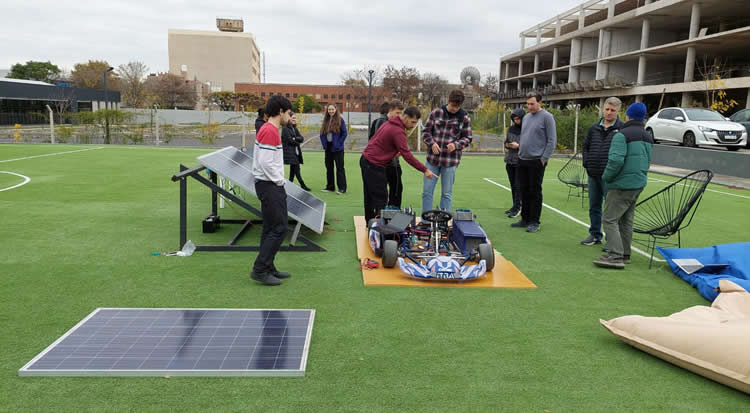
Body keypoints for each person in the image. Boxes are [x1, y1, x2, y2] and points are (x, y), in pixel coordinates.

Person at [593, 102, 653, 269]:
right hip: (638, 183)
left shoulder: (621, 135)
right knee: (626, 220)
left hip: (621, 184)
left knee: (610, 219)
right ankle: (625, 254)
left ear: (628, 115)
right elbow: (648, 161)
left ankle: (615, 255)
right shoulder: (648, 136)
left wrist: (606, 177)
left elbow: (615, 160)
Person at [361, 106, 436, 223]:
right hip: (373, 164)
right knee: (380, 197)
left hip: (366, 160)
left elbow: (381, 142)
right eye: (413, 122)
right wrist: (425, 170)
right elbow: (407, 155)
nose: (413, 126)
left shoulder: (390, 123)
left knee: (370, 195)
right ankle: (379, 228)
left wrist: (392, 153)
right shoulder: (397, 131)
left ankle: (370, 223)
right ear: (405, 117)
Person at [250, 95, 293, 286]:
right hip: (269, 185)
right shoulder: (270, 131)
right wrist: (279, 181)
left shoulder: (270, 129)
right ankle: (260, 269)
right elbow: (265, 162)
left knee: (269, 227)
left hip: (266, 184)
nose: (290, 117)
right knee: (279, 227)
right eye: (289, 113)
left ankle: (268, 266)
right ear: (280, 112)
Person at [581, 97, 624, 246]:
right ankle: (594, 235)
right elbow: (585, 146)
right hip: (593, 174)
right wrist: (586, 163)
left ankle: (611, 241)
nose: (609, 113)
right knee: (594, 206)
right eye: (607, 109)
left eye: (612, 110)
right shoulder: (593, 128)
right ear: (603, 109)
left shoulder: (622, 129)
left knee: (611, 211)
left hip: (610, 178)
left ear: (618, 111)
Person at [511, 91, 557, 233]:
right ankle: (524, 219)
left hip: (537, 161)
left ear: (540, 102)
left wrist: (544, 158)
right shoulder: (527, 118)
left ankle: (534, 221)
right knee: (523, 190)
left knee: (535, 191)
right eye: (528, 104)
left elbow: (552, 140)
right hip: (522, 159)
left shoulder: (547, 117)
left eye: (532, 103)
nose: (529, 106)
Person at [421, 89, 472, 213]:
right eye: (453, 105)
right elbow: (426, 132)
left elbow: (468, 138)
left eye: (458, 106)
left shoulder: (464, 118)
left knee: (446, 194)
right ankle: (426, 221)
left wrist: (456, 144)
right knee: (427, 192)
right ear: (448, 101)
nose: (455, 109)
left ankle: (444, 221)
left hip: (450, 162)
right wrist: (431, 143)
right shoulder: (435, 113)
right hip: (432, 161)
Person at [372, 100, 405, 207]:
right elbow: (381, 144)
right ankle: (387, 212)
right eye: (398, 113)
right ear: (390, 111)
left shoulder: (384, 122)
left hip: (390, 162)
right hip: (387, 163)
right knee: (391, 189)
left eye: (401, 113)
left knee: (396, 188)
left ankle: (390, 212)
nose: (399, 116)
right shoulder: (383, 122)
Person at [319, 104, 348, 194]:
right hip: (328, 148)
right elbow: (322, 133)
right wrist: (324, 144)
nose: (331, 111)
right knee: (329, 167)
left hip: (337, 148)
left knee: (340, 168)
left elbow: (344, 133)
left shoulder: (340, 120)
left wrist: (339, 144)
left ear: (336, 109)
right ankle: (330, 187)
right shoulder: (326, 120)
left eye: (332, 109)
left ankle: (342, 188)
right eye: (329, 109)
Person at [503, 108, 525, 218]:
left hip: (520, 161)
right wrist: (508, 144)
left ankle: (518, 208)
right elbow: (506, 142)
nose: (516, 121)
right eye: (514, 119)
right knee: (513, 185)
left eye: (518, 119)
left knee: (518, 186)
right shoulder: (511, 129)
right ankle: (514, 206)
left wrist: (519, 146)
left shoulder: (527, 129)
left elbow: (529, 144)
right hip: (509, 160)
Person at [282, 112, 310, 191]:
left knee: (293, 169)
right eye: (293, 118)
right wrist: (296, 139)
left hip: (295, 152)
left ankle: (289, 184)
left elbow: (301, 138)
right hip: (289, 152)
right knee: (296, 169)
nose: (294, 119)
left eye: (295, 118)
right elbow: (289, 140)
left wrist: (295, 138)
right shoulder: (285, 128)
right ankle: (302, 184)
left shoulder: (294, 129)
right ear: (289, 118)